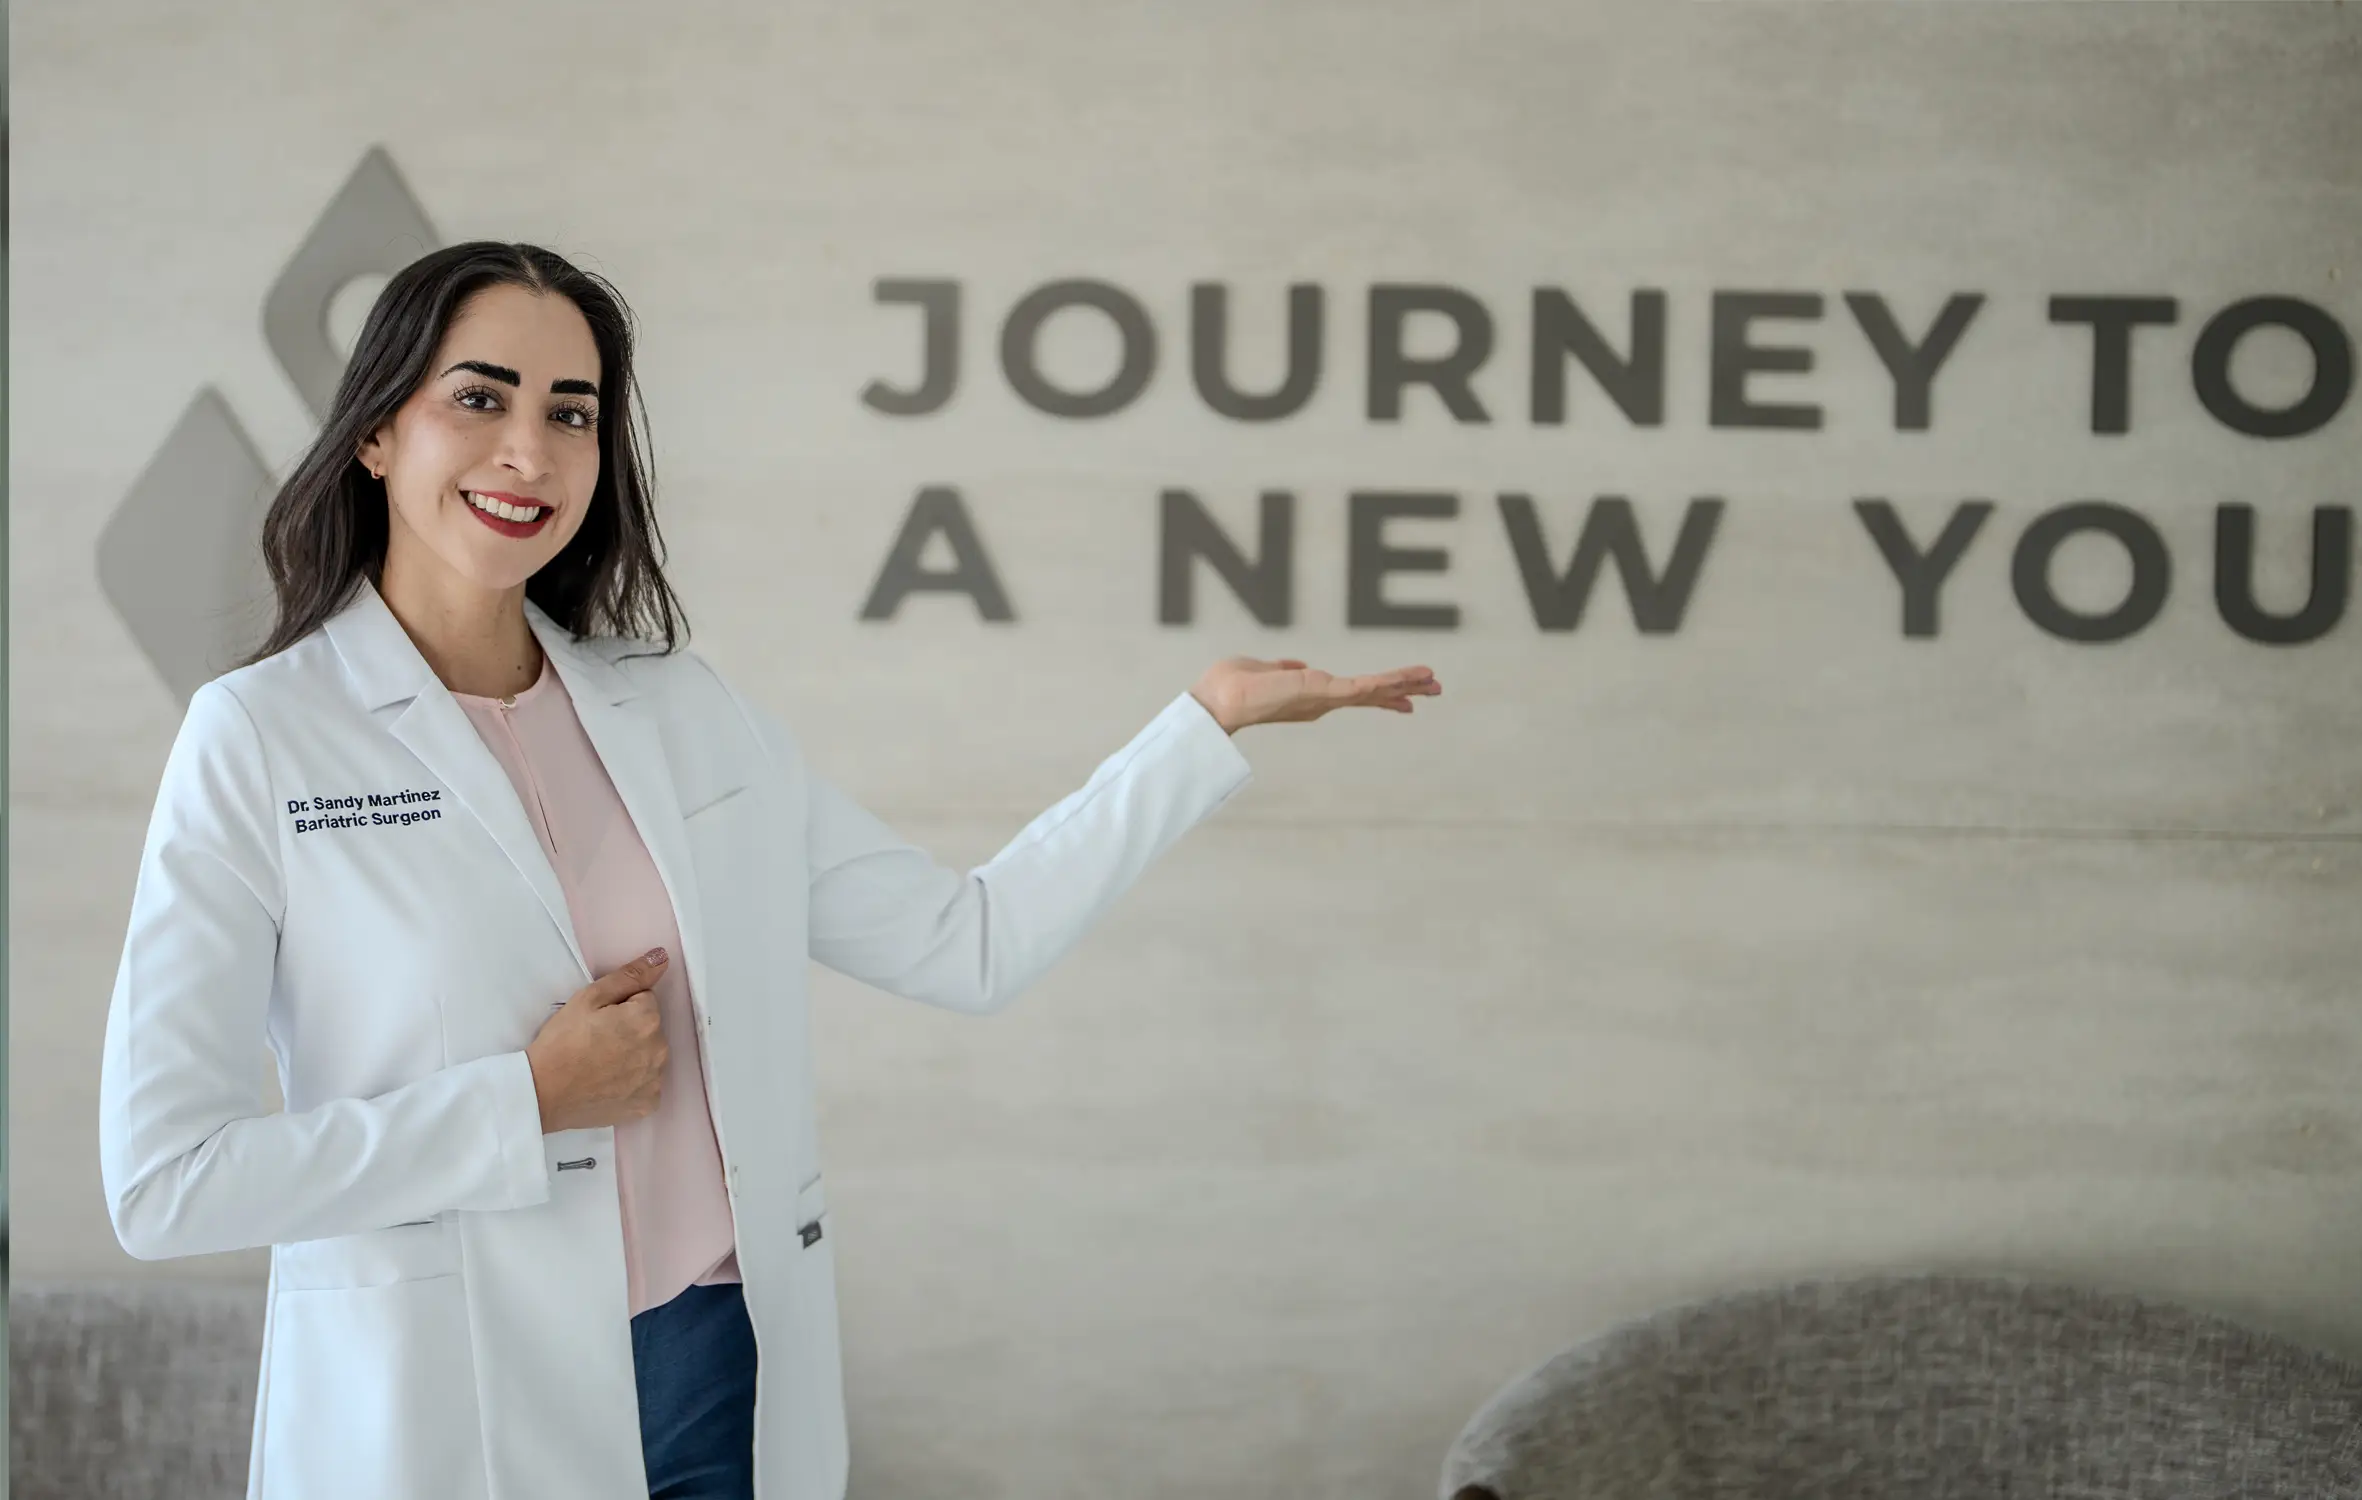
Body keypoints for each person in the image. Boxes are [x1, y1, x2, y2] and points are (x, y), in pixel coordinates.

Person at [95, 240, 1439, 1500]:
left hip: (718, 1372)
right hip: (450, 1391)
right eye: (480, 398)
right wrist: (526, 1102)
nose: (530, 450)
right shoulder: (262, 736)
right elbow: (166, 1182)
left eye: (572, 412)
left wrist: (1201, 727)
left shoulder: (683, 714)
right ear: (377, 433)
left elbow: (967, 942)